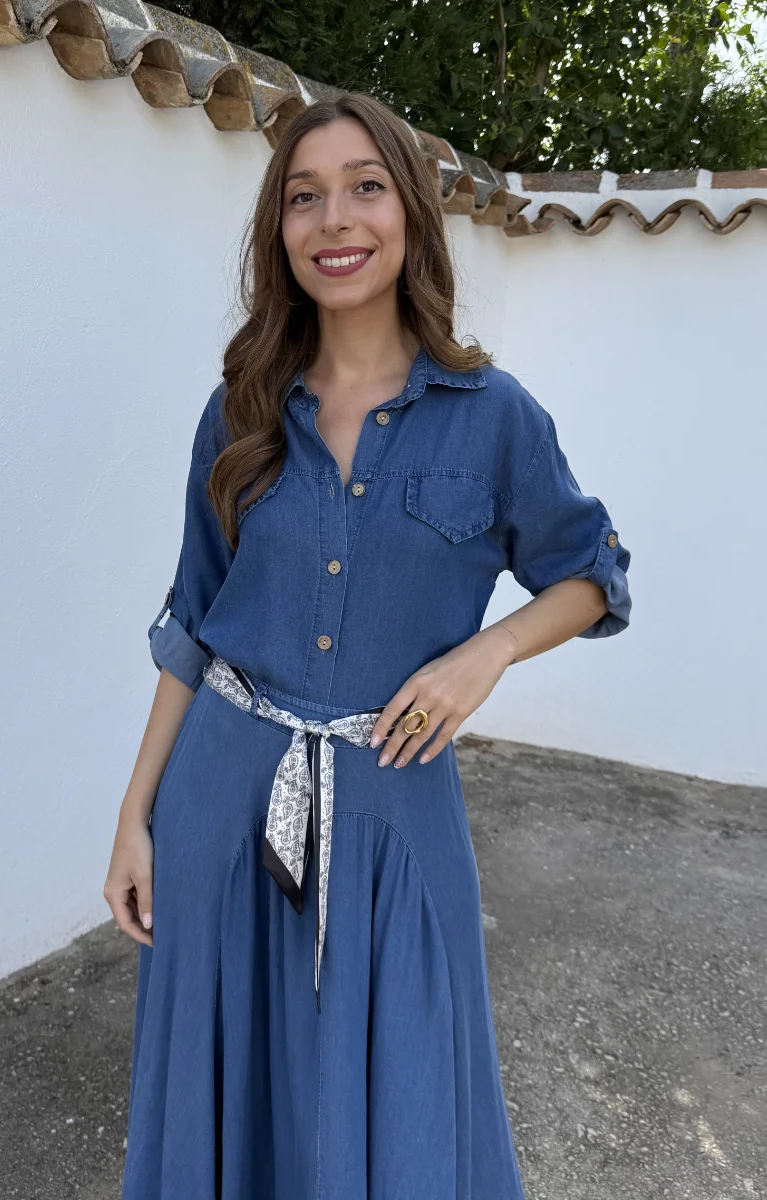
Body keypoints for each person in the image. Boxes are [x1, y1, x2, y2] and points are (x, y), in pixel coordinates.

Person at [105, 90, 631, 1200]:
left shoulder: (493, 414)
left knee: (409, 1090)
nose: (333, 220)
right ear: (278, 231)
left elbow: (593, 572)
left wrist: (483, 655)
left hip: (395, 809)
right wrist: (134, 818)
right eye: (303, 198)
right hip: (220, 801)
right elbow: (191, 624)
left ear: (409, 217)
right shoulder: (240, 409)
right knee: (229, 1088)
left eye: (364, 188)